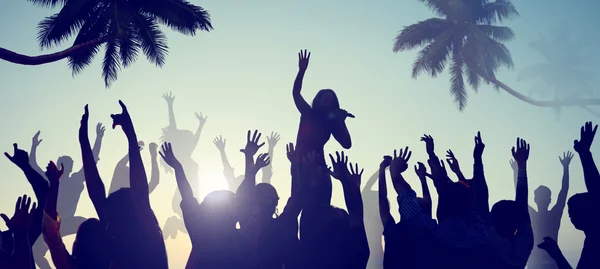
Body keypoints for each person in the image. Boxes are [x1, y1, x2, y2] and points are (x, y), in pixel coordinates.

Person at [29, 128, 105, 269]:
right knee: (36, 251)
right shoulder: (53, 180)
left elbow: (91, 161)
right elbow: (33, 165)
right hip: (58, 221)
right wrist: (33, 147)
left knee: (95, 229)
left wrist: (98, 138)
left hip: (68, 221)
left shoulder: (74, 180)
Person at [538, 122, 600, 269]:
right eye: (570, 213)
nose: (571, 216)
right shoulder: (592, 240)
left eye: (575, 211)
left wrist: (585, 154)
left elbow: (596, 190)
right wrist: (556, 254)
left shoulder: (596, 237)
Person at [160, 92, 207, 240]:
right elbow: (173, 127)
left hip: (190, 196)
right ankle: (174, 223)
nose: (190, 140)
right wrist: (170, 105)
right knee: (197, 228)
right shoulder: (181, 159)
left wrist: (201, 125)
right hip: (184, 197)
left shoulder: (187, 156)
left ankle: (174, 224)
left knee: (197, 228)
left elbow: (195, 140)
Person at [515, 152, 572, 269]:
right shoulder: (552, 215)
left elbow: (520, 195)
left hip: (540, 264)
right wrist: (566, 168)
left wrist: (518, 168)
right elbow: (563, 191)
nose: (542, 199)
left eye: (543, 196)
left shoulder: (541, 215)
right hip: (541, 264)